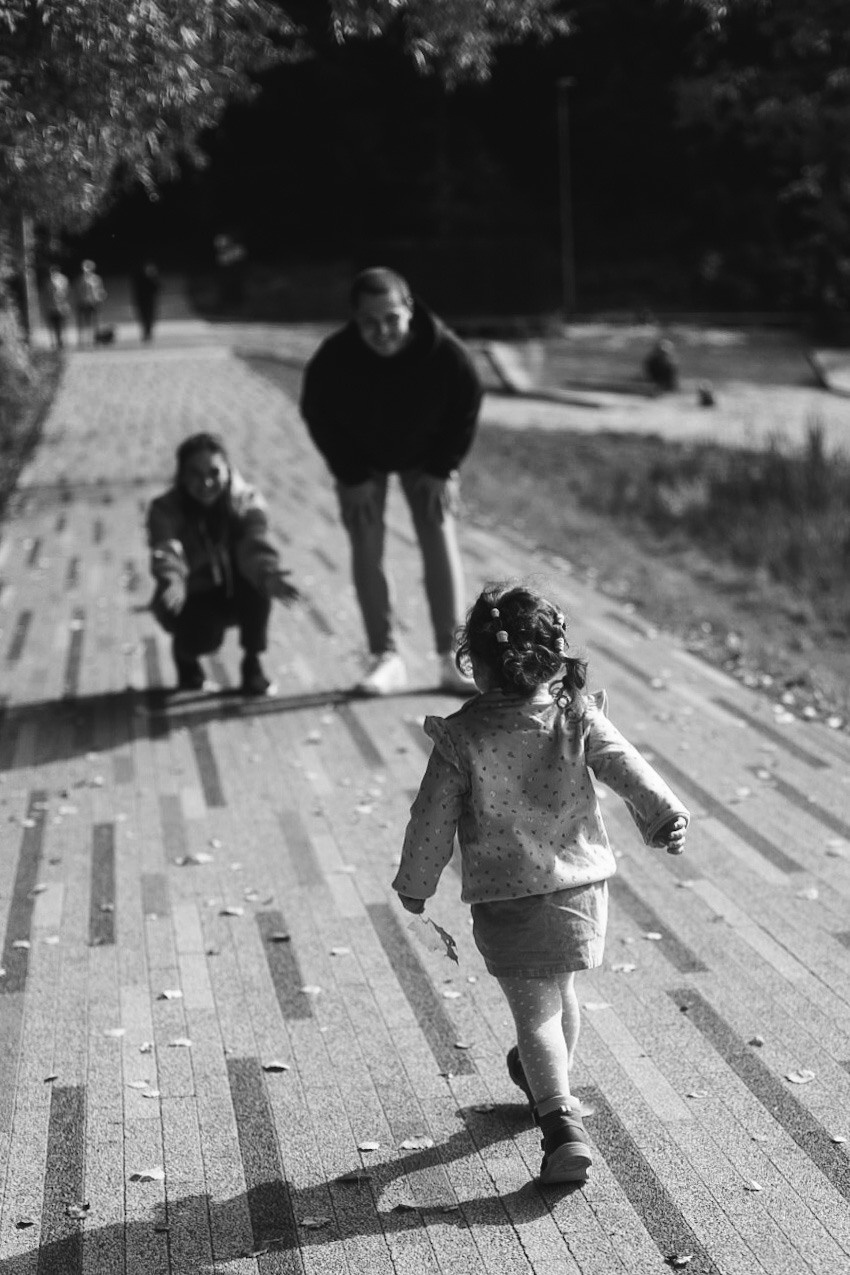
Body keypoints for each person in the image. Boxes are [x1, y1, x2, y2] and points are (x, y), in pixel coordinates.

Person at [392, 583, 689, 1185]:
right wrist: (665, 816)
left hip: (508, 902)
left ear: (474, 663)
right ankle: (545, 1080)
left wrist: (416, 883)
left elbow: (432, 816)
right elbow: (626, 764)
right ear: (551, 657)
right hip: (581, 894)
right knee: (562, 996)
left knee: (536, 1018)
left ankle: (559, 1126)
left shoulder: (462, 737)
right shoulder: (576, 716)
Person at [300, 266, 483, 697]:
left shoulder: (446, 353)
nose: (382, 331)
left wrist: (444, 468)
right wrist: (350, 473)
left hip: (427, 459)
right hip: (362, 462)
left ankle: (450, 659)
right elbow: (317, 413)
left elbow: (467, 404)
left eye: (391, 319)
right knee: (365, 541)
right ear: (355, 319)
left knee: (438, 537)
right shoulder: (333, 358)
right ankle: (386, 657)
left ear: (409, 310)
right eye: (369, 322)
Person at [146, 432, 300, 695]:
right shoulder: (165, 509)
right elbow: (167, 550)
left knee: (258, 585)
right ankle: (186, 658)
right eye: (195, 474)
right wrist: (174, 578)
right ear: (182, 476)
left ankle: (252, 666)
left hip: (236, 588)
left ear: (228, 471)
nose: (206, 482)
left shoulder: (246, 501)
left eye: (214, 472)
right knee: (204, 638)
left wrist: (268, 573)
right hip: (190, 595)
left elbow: (254, 544)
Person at [74, 259, 106, 346]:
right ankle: (83, 340)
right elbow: (77, 292)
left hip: (94, 302)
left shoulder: (96, 278)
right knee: (83, 323)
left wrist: (100, 298)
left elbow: (101, 290)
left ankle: (97, 339)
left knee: (96, 322)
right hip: (83, 303)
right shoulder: (80, 279)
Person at [131, 259, 161, 341]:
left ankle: (148, 332)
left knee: (150, 317)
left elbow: (158, 288)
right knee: (143, 316)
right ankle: (146, 332)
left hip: (150, 301)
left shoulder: (153, 278)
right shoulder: (140, 277)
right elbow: (136, 289)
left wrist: (154, 278)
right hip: (141, 300)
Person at [43, 265, 71, 350]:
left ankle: (63, 342)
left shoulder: (63, 280)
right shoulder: (48, 281)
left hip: (61, 307)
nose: (53, 273)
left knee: (62, 325)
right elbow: (46, 295)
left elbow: (66, 292)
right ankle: (55, 343)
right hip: (51, 307)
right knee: (53, 326)